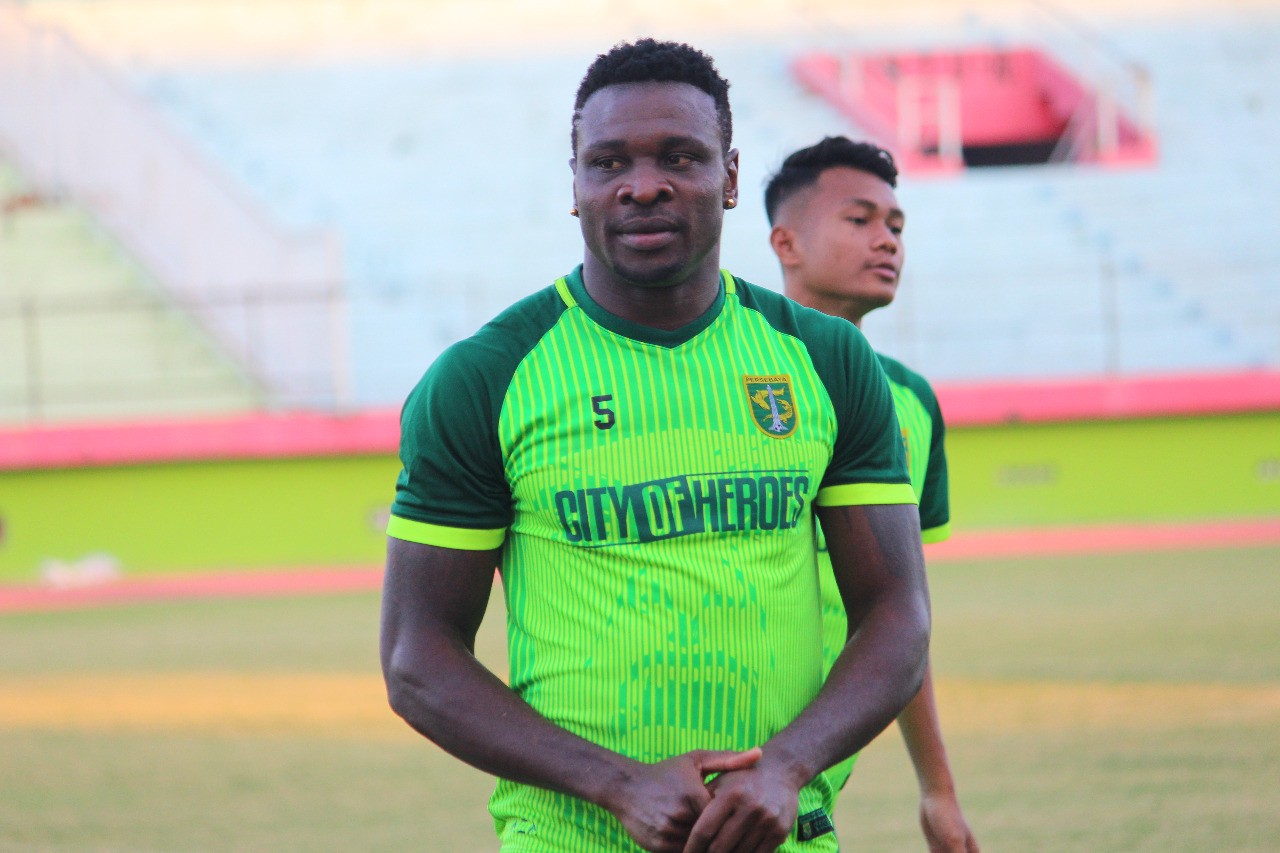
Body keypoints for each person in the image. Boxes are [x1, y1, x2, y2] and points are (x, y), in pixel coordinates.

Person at [380, 41, 930, 853]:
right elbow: (416, 656)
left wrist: (786, 767)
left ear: (732, 177)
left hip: (784, 832)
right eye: (608, 162)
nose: (643, 185)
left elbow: (897, 614)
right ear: (575, 185)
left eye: (681, 156)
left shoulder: (826, 361)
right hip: (569, 835)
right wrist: (616, 783)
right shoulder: (485, 377)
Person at [764, 136, 980, 853]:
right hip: (683, 774)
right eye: (860, 220)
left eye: (896, 225)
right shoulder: (717, 368)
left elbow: (898, 616)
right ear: (785, 241)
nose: (886, 238)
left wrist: (938, 792)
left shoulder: (911, 403)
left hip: (800, 792)